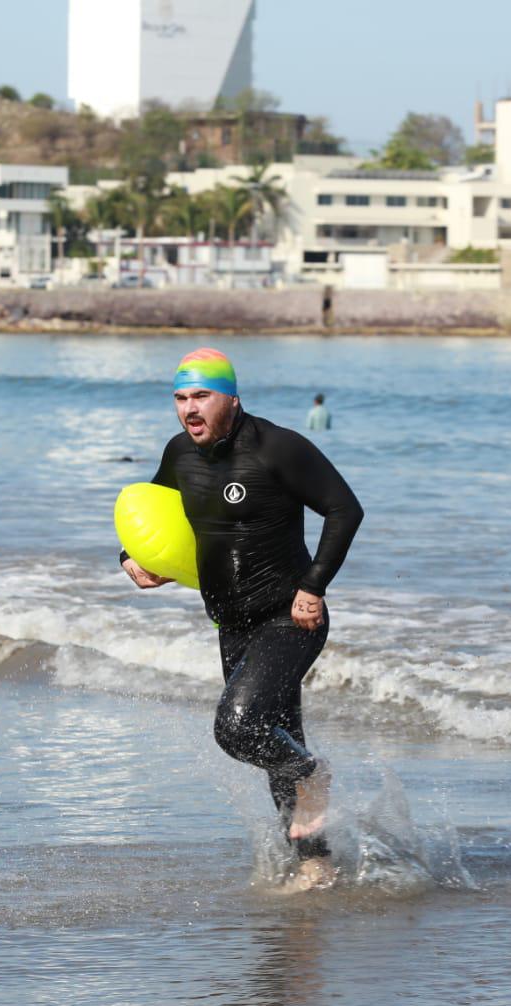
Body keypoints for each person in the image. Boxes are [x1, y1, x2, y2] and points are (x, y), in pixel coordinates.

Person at [122, 348, 364, 891]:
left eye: (201, 396)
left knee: (238, 728)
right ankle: (315, 863)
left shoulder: (278, 447)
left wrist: (313, 586)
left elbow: (345, 509)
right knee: (278, 738)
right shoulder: (179, 453)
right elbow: (149, 517)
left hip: (289, 618)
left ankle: (312, 774)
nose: (190, 409)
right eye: (181, 399)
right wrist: (134, 559)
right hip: (230, 624)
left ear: (231, 397)